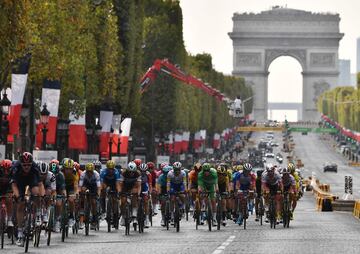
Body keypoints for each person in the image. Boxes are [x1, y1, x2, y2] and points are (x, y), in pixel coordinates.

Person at [11, 152, 41, 247]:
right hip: (19, 181)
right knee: (20, 203)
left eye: (29, 165)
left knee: (36, 194)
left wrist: (41, 197)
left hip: (32, 179)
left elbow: (40, 184)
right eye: (24, 165)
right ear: (20, 164)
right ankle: (20, 233)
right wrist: (18, 196)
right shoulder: (16, 167)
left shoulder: (35, 167)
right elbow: (14, 184)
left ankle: (37, 215)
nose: (27, 167)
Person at [79, 162, 101, 229]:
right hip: (86, 184)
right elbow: (80, 185)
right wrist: (80, 192)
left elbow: (99, 187)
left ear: (93, 171)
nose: (89, 173)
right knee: (82, 191)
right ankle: (82, 208)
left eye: (90, 172)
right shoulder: (83, 174)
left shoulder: (96, 174)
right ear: (86, 171)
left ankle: (94, 218)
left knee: (94, 202)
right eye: (88, 172)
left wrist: (98, 194)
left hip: (93, 186)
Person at [119, 161, 141, 226]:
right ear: (127, 170)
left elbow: (139, 185)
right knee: (123, 201)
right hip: (125, 186)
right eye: (130, 172)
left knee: (134, 195)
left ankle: (134, 213)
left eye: (133, 172)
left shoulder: (138, 173)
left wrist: (138, 194)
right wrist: (120, 192)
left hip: (134, 185)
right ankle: (123, 217)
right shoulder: (124, 173)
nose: (131, 173)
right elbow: (120, 184)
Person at [62, 158, 79, 227]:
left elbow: (76, 185)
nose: (68, 171)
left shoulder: (75, 172)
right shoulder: (61, 172)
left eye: (70, 169)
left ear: (73, 169)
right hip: (63, 186)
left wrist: (75, 194)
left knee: (71, 200)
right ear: (64, 168)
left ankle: (71, 216)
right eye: (67, 169)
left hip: (71, 187)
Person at [49, 160, 66, 232]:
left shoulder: (61, 175)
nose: (53, 175)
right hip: (49, 189)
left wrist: (64, 195)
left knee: (59, 204)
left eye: (55, 174)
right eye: (52, 173)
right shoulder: (48, 175)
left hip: (58, 189)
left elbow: (62, 189)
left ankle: (57, 220)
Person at [0, 159, 13, 227]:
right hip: (0, 189)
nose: (6, 172)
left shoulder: (14, 173)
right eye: (4, 169)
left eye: (8, 170)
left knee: (9, 199)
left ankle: (9, 219)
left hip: (8, 189)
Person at [139, 163, 152, 228]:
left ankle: (147, 219)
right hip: (138, 186)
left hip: (145, 187)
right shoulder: (137, 173)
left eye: (144, 171)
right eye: (141, 171)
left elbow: (149, 184)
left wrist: (149, 192)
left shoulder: (148, 174)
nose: (143, 172)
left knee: (146, 201)